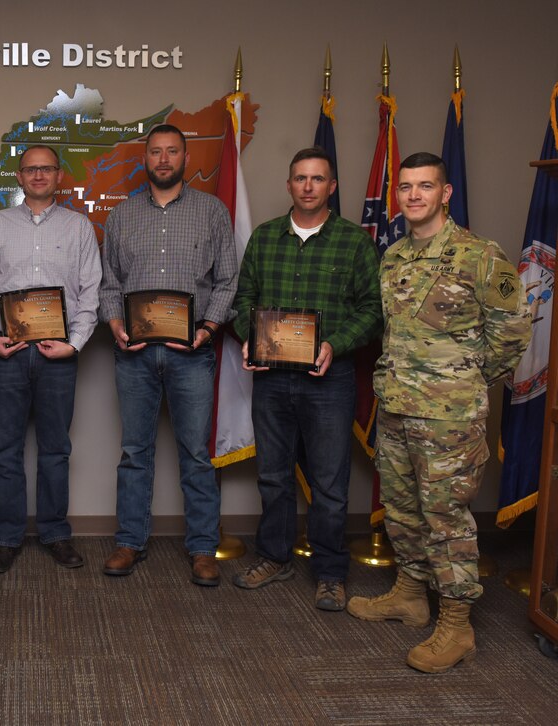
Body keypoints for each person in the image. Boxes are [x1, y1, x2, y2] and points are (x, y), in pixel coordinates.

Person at [347, 152, 531, 672]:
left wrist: (465, 382)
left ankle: (456, 625)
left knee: (446, 518)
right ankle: (409, 594)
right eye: (405, 187)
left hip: (449, 417)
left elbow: (513, 331)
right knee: (403, 510)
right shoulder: (394, 256)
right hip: (398, 407)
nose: (413, 196)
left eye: (425, 186)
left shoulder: (480, 255)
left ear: (445, 193)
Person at [231, 147, 382, 611]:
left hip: (329, 379)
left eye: (318, 179)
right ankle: (274, 557)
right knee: (274, 477)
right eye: (301, 178)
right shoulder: (265, 237)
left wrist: (333, 344)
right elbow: (243, 301)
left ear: (331, 186)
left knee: (330, 483)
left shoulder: (354, 243)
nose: (309, 186)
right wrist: (248, 339)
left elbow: (372, 312)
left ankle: (331, 572)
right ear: (290, 185)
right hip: (272, 379)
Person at [97, 124, 238, 585]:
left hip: (191, 353)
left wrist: (208, 329)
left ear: (185, 158)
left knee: (195, 454)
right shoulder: (122, 215)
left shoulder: (211, 212)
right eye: (155, 152)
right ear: (146, 158)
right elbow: (110, 282)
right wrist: (116, 324)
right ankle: (129, 542)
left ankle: (202, 549)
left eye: (171, 152)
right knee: (134, 452)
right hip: (134, 353)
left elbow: (227, 280)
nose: (163, 160)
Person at [0, 145, 102, 574]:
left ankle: (55, 533)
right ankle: (6, 537)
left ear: (59, 176)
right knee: (5, 450)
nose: (39, 176)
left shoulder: (79, 227)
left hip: (58, 356)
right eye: (31, 169)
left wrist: (76, 343)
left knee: (56, 450)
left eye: (46, 169)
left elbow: (90, 292)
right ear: (19, 176)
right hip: (7, 355)